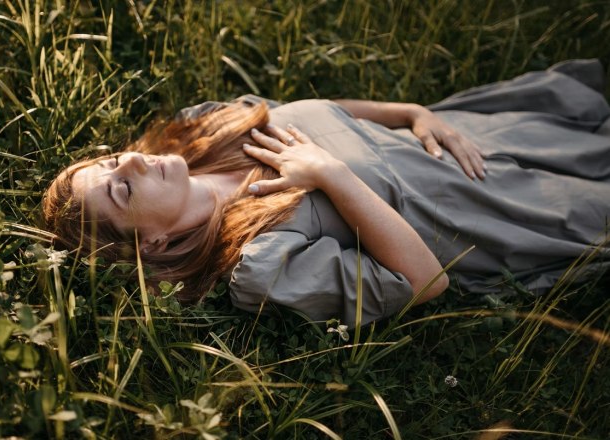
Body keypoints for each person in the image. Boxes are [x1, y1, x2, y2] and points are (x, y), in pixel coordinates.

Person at [43, 59, 610, 325]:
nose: (138, 160)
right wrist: (331, 176)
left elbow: (321, 114)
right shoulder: (259, 260)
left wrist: (411, 113)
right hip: (492, 207)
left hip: (473, 142)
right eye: (121, 189)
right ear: (152, 244)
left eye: (116, 160)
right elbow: (424, 283)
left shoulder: (203, 131)